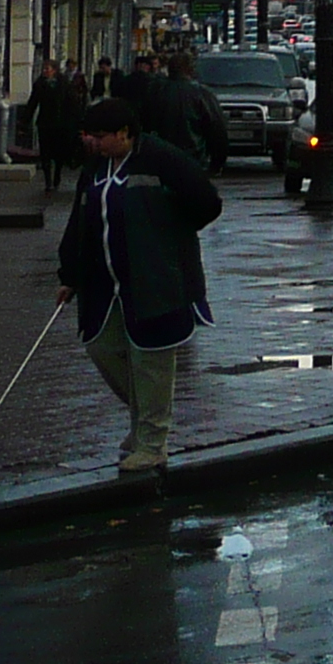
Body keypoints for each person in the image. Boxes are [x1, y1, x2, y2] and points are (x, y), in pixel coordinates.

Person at [58, 96, 221, 477]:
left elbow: (206, 202)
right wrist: (70, 274)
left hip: (156, 281)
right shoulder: (96, 168)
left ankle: (151, 443)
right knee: (102, 347)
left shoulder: (162, 159)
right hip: (105, 282)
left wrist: (169, 234)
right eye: (89, 136)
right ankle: (146, 419)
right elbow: (79, 219)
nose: (93, 143)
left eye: (100, 136)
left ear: (124, 134)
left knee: (152, 361)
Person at [31, 58, 85, 195]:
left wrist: (79, 122)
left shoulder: (64, 83)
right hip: (44, 123)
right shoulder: (39, 84)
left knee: (59, 152)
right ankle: (48, 180)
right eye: (44, 69)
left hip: (61, 124)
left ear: (54, 70)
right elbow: (33, 102)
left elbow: (73, 103)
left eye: (47, 69)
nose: (44, 72)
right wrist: (24, 121)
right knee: (45, 153)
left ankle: (57, 175)